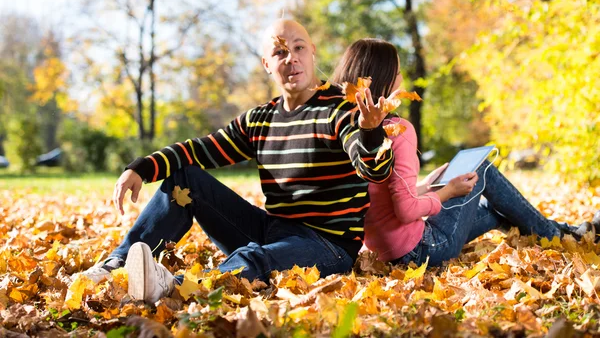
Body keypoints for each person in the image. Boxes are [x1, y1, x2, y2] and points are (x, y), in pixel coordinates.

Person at [77, 20, 398, 304]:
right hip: (272, 229)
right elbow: (201, 150)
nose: (292, 59)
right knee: (186, 179)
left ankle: (174, 287)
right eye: (280, 53)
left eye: (299, 47)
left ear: (312, 51)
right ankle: (116, 265)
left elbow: (373, 169)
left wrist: (370, 133)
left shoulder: (340, 110)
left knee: (254, 259)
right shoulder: (260, 119)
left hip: (327, 246)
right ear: (266, 64)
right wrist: (143, 167)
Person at [331, 38, 595, 267]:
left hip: (383, 253)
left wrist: (428, 184)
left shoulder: (344, 133)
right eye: (398, 72)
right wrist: (448, 191)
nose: (402, 79)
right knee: (481, 168)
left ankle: (562, 232)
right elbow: (406, 211)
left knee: (493, 210)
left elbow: (382, 201)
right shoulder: (397, 131)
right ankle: (564, 236)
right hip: (421, 251)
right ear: (384, 80)